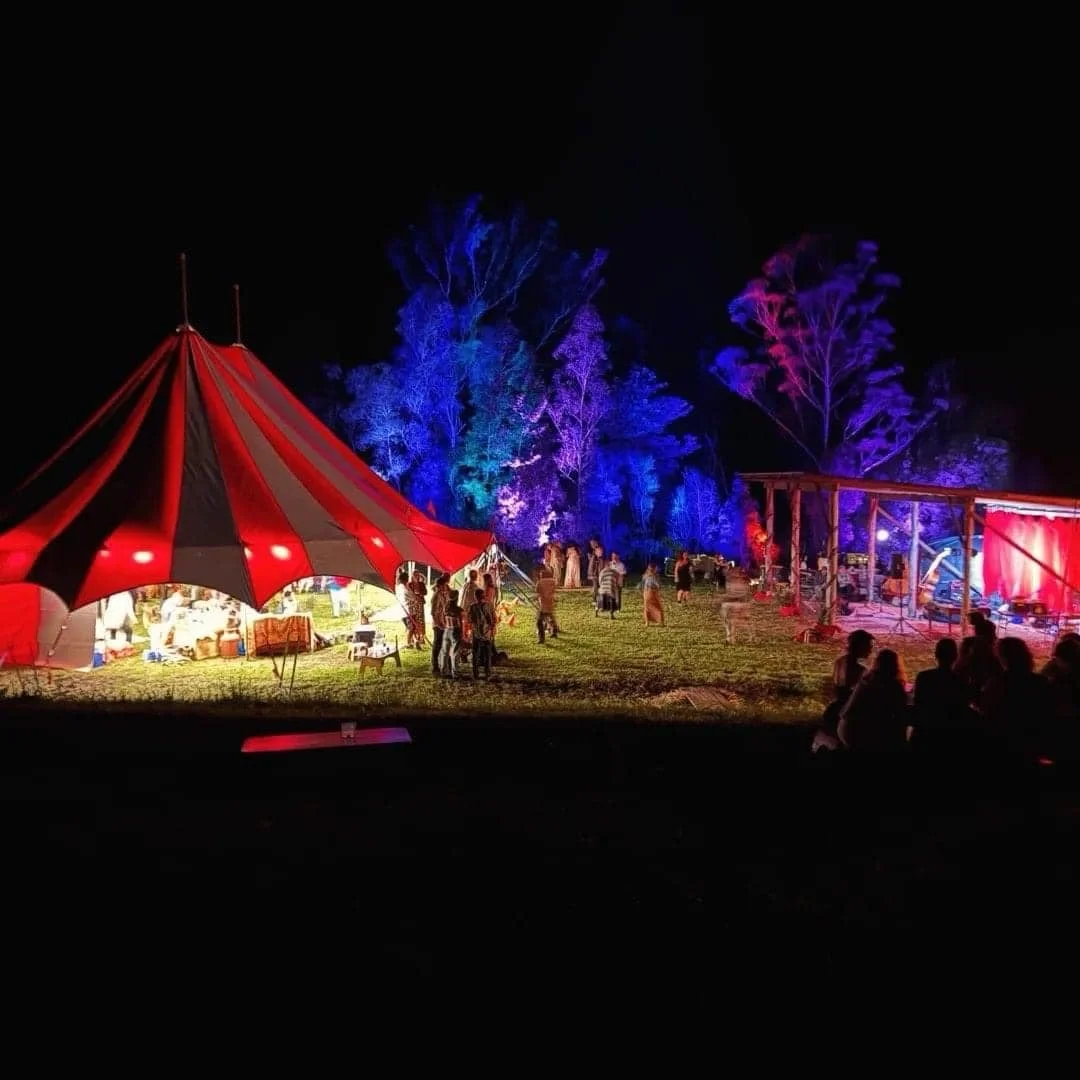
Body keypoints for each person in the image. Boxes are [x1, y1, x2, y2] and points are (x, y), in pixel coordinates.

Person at [838, 648, 910, 752]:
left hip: (845, 728)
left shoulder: (867, 679)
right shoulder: (892, 685)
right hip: (861, 732)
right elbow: (900, 713)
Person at [536, 567, 558, 643]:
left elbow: (537, 590)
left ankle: (541, 638)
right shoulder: (553, 582)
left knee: (539, 621)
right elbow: (554, 590)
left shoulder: (540, 582)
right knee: (551, 616)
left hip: (543, 603)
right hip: (550, 602)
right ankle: (554, 631)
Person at [641, 561, 665, 626]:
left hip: (649, 592)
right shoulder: (650, 576)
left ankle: (649, 622)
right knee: (653, 607)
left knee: (651, 607)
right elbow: (658, 585)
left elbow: (643, 584)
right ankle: (658, 622)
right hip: (650, 592)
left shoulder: (649, 576)